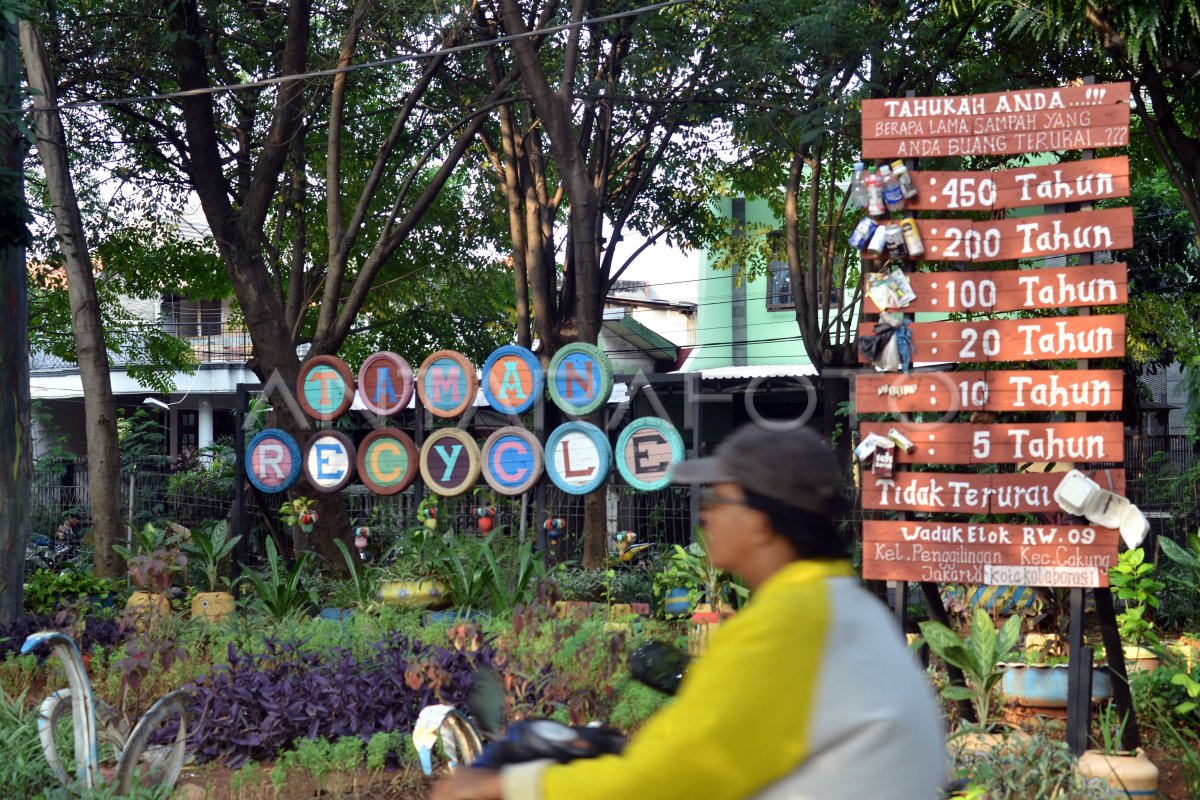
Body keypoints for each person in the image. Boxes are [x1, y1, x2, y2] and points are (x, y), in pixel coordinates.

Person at [432, 423, 947, 800]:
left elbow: (668, 780)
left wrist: (507, 787)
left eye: (721, 498)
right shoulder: (850, 609)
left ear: (764, 522)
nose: (706, 513)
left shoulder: (789, 622)